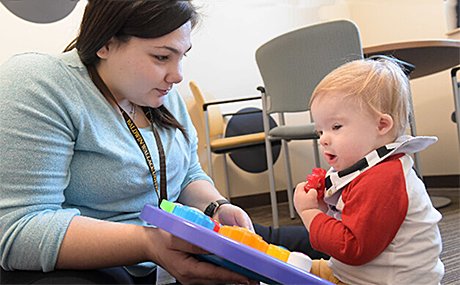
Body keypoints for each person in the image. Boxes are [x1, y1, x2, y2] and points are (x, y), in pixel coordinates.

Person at [0, 1, 327, 284]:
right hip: (102, 262)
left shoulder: (159, 96)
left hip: (178, 237)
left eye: (181, 56)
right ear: (104, 43)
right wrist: (147, 244)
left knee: (331, 245)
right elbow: (19, 230)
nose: (177, 75)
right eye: (161, 57)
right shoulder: (41, 84)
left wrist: (216, 206)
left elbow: (187, 173)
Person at [294, 58, 444, 284]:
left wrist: (309, 214)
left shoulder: (382, 178)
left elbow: (353, 247)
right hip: (359, 273)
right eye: (320, 131)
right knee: (291, 265)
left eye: (336, 127)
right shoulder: (370, 168)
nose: (324, 139)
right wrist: (326, 208)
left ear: (382, 126)